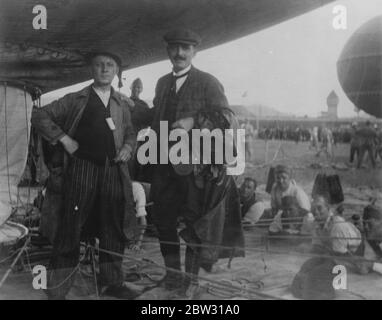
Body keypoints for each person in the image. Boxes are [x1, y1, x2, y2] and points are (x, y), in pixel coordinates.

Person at [136, 28, 243, 298]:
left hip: (195, 168)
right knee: (163, 221)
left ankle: (191, 280)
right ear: (168, 51)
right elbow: (157, 116)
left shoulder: (208, 82)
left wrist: (194, 121)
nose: (179, 53)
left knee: (195, 224)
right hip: (163, 165)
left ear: (195, 51)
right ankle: (172, 276)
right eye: (174, 47)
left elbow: (227, 117)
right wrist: (133, 109)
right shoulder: (162, 83)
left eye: (185, 48)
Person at [31, 51, 137, 299]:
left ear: (116, 71)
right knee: (71, 227)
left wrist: (127, 148)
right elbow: (39, 115)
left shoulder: (122, 103)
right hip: (81, 170)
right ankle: (58, 287)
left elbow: (131, 131)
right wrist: (64, 139)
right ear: (92, 69)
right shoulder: (75, 99)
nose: (104, 69)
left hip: (112, 170)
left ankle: (113, 282)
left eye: (110, 65)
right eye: (99, 65)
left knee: (113, 228)